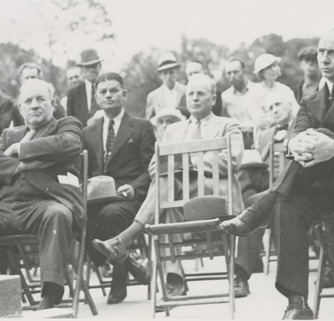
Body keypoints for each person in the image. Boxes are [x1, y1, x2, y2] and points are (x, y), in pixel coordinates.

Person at [220, 30, 334, 320]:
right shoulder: (311, 100)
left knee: (322, 135)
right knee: (287, 205)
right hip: (328, 188)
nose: (323, 58)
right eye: (321, 51)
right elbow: (295, 133)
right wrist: (295, 143)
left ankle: (256, 210)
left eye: (333, 53)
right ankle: (297, 301)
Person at [93, 74, 257, 299]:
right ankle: (173, 277)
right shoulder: (173, 131)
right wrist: (175, 167)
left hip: (216, 195)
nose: (195, 98)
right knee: (165, 193)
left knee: (166, 189)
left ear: (213, 97)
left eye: (201, 93)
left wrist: (187, 162)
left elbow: (231, 160)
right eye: (191, 94)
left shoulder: (228, 125)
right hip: (178, 196)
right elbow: (153, 168)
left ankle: (126, 239)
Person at [0, 79, 84, 310]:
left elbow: (70, 143)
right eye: (28, 101)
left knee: (58, 214)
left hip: (44, 204)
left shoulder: (66, 125)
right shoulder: (10, 134)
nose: (35, 105)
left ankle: (50, 296)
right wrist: (21, 166)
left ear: (53, 103)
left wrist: (21, 150)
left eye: (41, 99)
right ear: (20, 108)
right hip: (2, 209)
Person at [83, 72, 156, 304]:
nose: (108, 95)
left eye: (113, 90)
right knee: (77, 218)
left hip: (129, 198)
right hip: (98, 198)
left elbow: (151, 170)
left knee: (110, 215)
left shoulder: (142, 127)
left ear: (124, 95)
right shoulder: (89, 132)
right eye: (103, 92)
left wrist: (135, 187)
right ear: (96, 98)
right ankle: (130, 263)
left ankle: (119, 277)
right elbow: (85, 170)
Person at [221, 57, 265, 146]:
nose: (232, 76)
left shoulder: (259, 90)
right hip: (238, 141)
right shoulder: (225, 97)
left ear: (243, 71)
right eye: (229, 73)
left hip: (260, 138)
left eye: (236, 72)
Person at [145, 52, 187, 122]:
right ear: (160, 75)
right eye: (165, 73)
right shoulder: (153, 96)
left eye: (171, 72)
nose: (168, 77)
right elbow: (148, 121)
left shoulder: (186, 91)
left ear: (177, 72)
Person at [65, 49, 103, 124]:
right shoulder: (73, 94)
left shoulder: (109, 89)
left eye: (94, 66)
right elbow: (71, 123)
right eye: (88, 67)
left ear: (100, 67)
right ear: (82, 70)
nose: (91, 70)